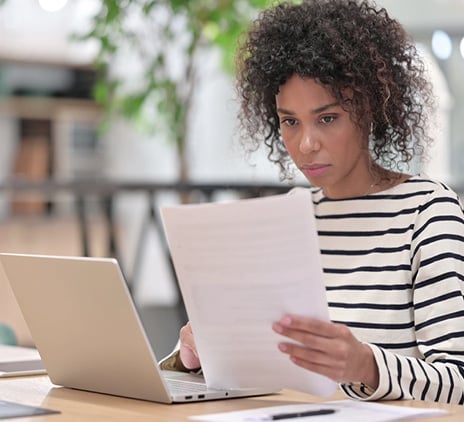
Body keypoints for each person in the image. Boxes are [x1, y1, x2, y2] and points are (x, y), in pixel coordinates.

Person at [160, 0, 464, 404]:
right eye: (290, 121)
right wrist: (197, 353)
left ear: (370, 108)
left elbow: (458, 381)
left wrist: (365, 365)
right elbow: (262, 369)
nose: (305, 144)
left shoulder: (428, 212)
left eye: (327, 118)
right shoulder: (288, 216)